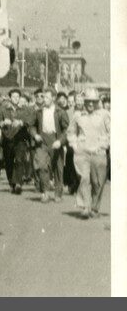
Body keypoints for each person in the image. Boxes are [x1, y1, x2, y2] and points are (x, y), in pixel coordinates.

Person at [67, 89, 110, 218]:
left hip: (99, 152)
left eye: (94, 101)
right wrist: (74, 145)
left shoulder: (104, 115)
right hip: (82, 152)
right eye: (88, 102)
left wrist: (104, 144)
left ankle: (95, 208)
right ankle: (85, 206)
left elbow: (112, 132)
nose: (91, 104)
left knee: (97, 182)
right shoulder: (78, 116)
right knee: (84, 179)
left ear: (98, 102)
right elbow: (71, 132)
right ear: (84, 102)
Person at [30, 89, 69, 203]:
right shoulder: (39, 112)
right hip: (42, 141)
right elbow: (31, 126)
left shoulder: (60, 112)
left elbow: (67, 129)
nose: (44, 99)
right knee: (42, 166)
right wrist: (35, 135)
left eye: (46, 97)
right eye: (43, 97)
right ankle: (45, 192)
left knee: (58, 168)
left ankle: (58, 194)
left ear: (53, 98)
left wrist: (60, 141)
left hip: (56, 140)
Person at [0, 88, 31, 194]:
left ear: (20, 98)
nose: (16, 98)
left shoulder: (24, 109)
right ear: (10, 98)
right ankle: (11, 182)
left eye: (18, 97)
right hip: (8, 138)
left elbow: (29, 121)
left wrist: (21, 122)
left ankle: (19, 183)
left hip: (20, 138)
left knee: (19, 160)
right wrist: (2, 122)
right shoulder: (4, 109)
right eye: (14, 96)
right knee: (9, 161)